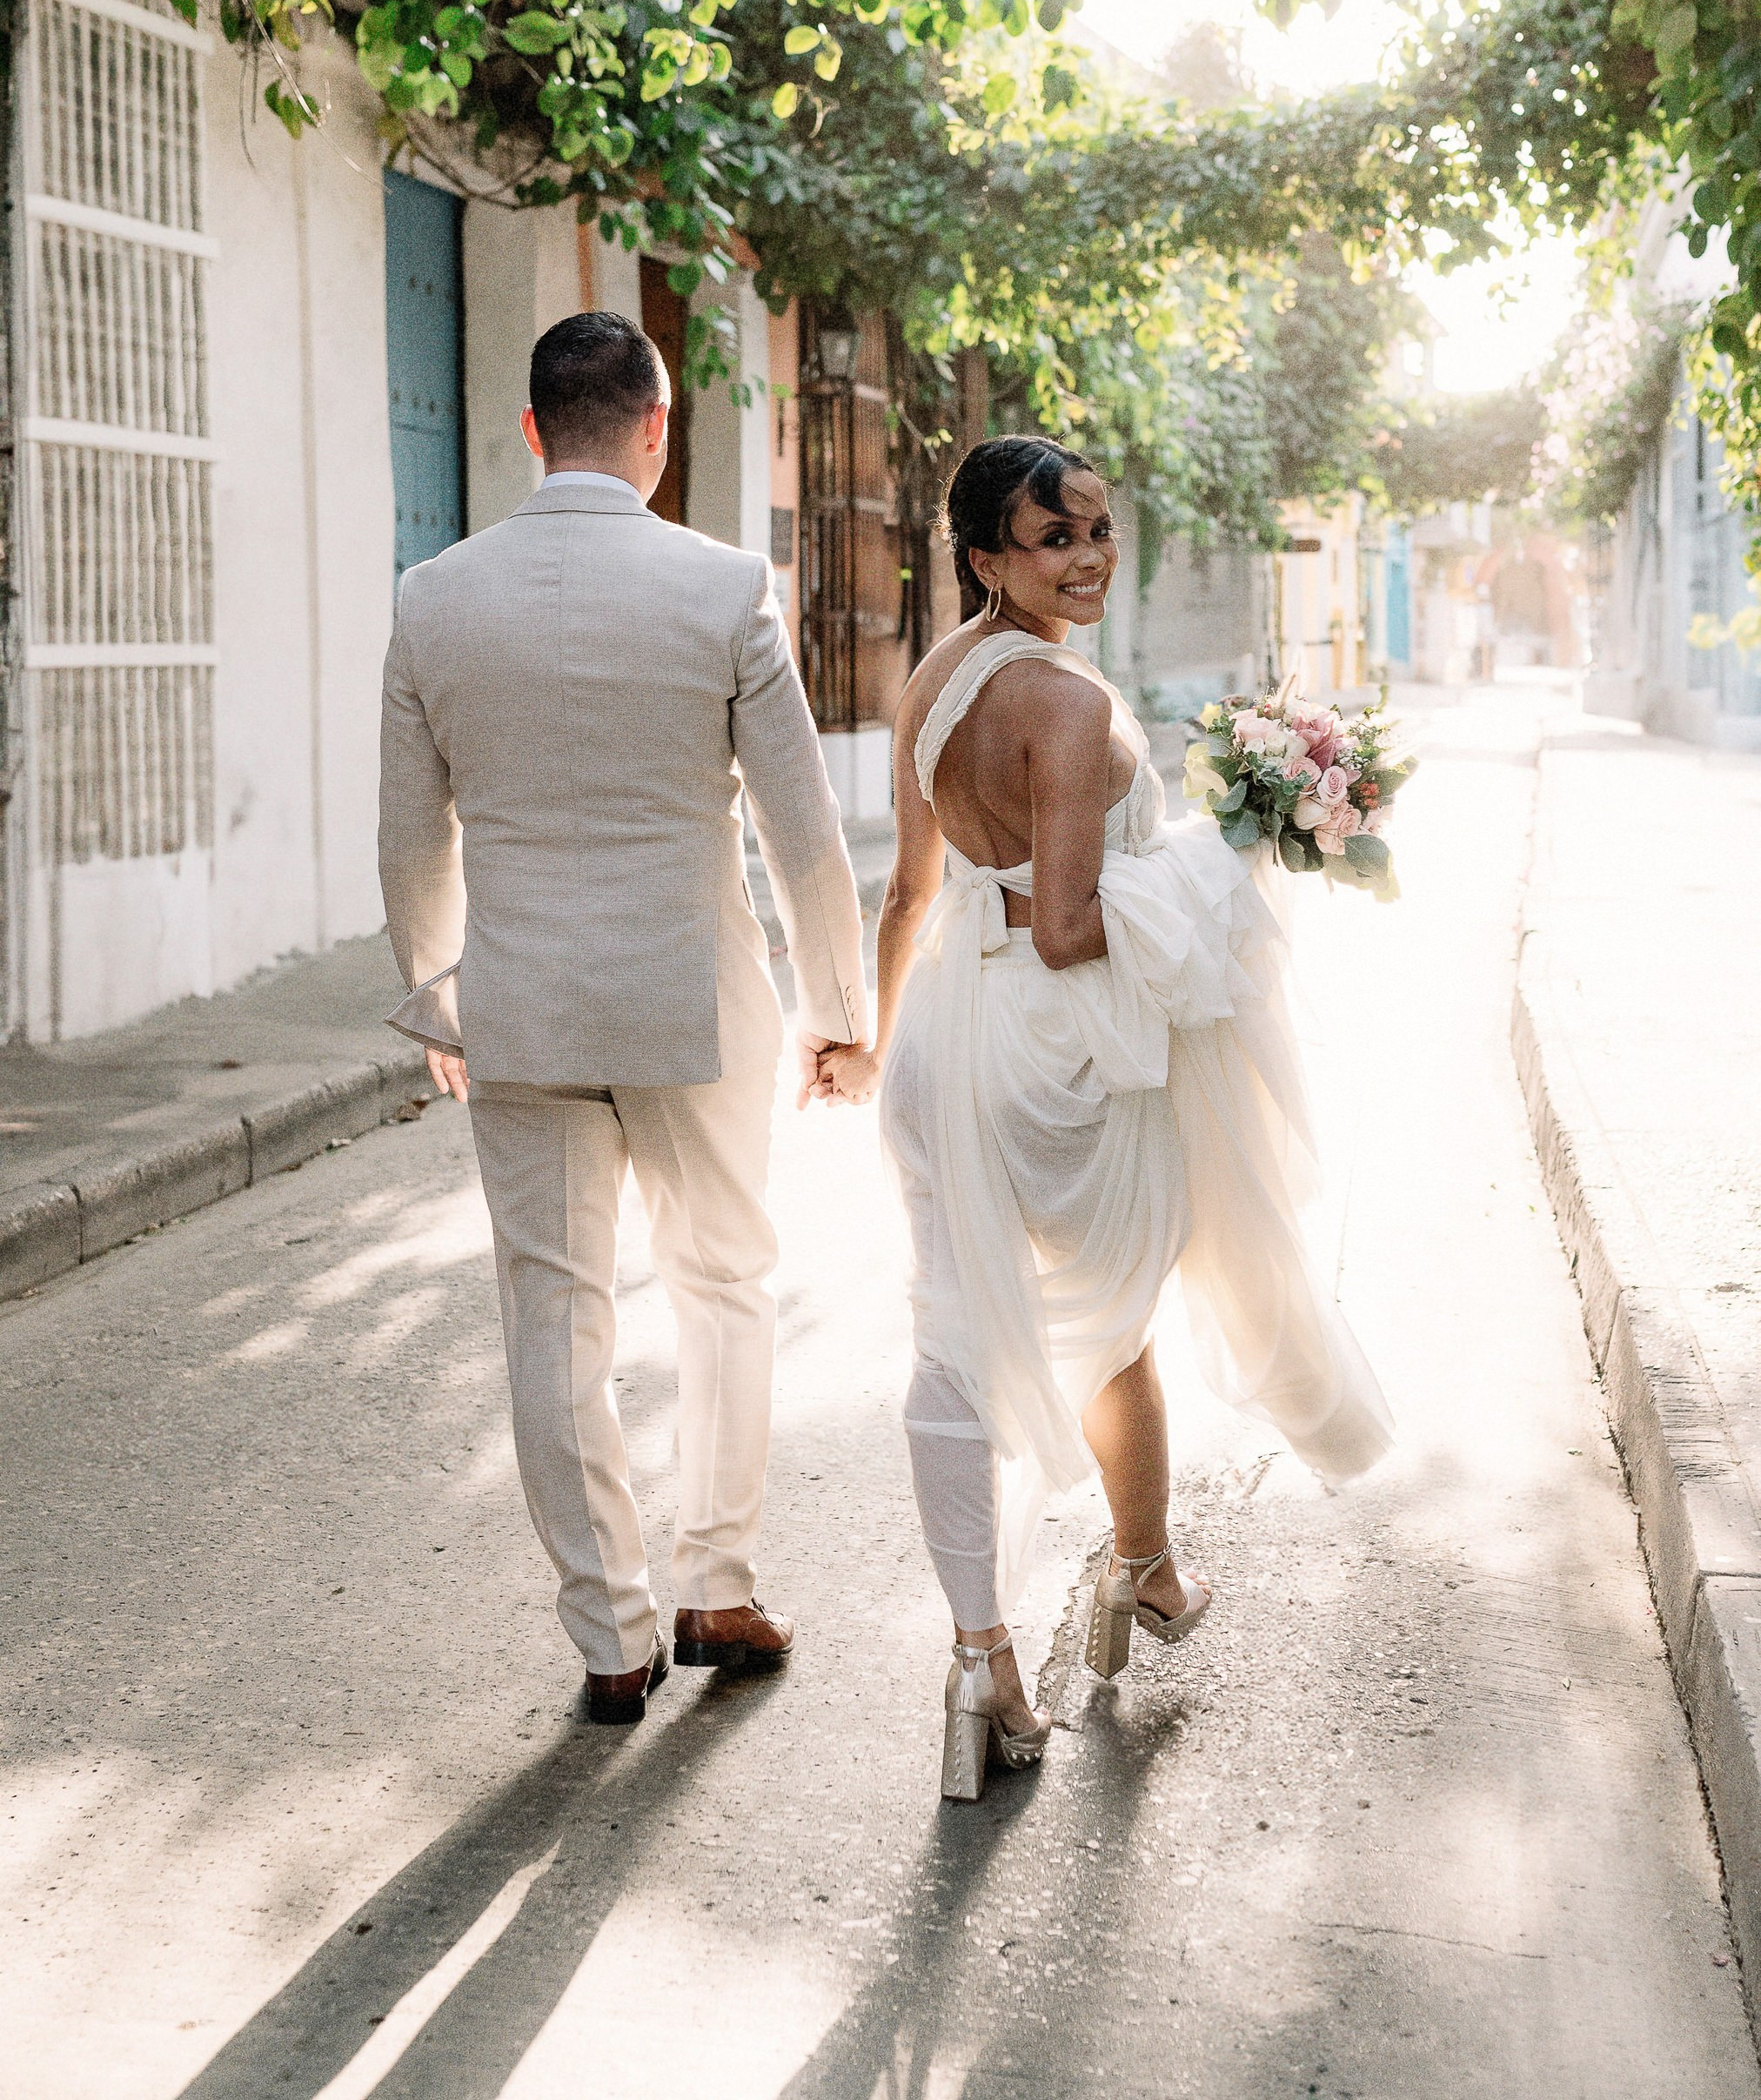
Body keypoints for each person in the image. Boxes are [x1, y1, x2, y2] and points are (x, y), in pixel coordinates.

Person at [815, 436, 1391, 1801]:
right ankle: (1142, 1570)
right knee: (1116, 1316)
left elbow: (911, 895)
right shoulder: (1064, 707)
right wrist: (1236, 848)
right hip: (1052, 1052)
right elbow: (1073, 930)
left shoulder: (932, 682)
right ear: (985, 558)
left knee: (953, 1324)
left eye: (1097, 530)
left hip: (950, 1038)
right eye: (1050, 538)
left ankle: (990, 1659)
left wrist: (871, 1041)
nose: (1086, 558)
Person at [378, 310, 867, 1726]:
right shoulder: (723, 590)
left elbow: (413, 844)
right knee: (723, 1284)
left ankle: (609, 1634)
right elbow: (802, 829)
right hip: (695, 1003)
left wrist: (437, 997)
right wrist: (839, 1007)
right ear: (658, 429)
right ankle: (718, 1581)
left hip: (519, 1005)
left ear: (531, 431)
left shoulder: (435, 597)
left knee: (553, 1316)